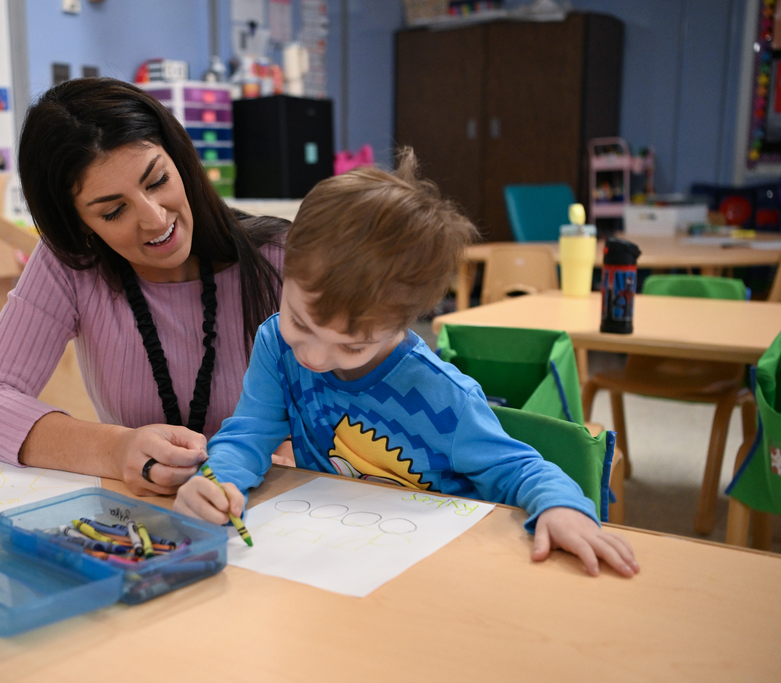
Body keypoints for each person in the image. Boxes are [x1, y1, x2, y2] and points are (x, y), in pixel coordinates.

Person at [174, 149, 640, 578]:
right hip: (338, 555)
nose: (313, 357)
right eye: (300, 320)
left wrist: (563, 509)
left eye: (352, 346)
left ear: (403, 322)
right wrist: (217, 480)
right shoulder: (276, 341)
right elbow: (248, 435)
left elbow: (522, 470)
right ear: (286, 266)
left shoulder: (445, 398)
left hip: (438, 570)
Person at [0, 77, 287, 495]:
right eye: (113, 212)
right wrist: (116, 449)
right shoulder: (73, 267)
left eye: (158, 180)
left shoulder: (279, 258)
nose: (154, 219)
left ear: (180, 161)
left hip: (278, 516)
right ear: (81, 226)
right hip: (148, 518)